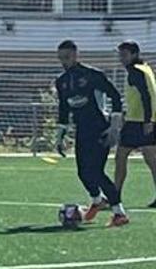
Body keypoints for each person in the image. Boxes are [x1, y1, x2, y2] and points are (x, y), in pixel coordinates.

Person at [53, 40, 127, 226]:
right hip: (82, 131)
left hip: (101, 129)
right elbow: (63, 109)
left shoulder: (92, 75)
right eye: (61, 58)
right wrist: (60, 135)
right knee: (83, 173)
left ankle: (119, 213)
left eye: (67, 57)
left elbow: (115, 96)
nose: (64, 61)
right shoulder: (61, 82)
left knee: (96, 171)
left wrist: (114, 125)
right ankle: (98, 200)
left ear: (76, 55)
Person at [115, 40, 156, 208]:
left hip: (138, 122)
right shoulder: (146, 68)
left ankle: (115, 195)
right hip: (147, 120)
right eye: (120, 55)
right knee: (152, 161)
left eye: (124, 55)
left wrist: (147, 121)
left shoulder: (135, 71)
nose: (121, 58)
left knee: (121, 156)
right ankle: (115, 194)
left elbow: (146, 96)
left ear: (134, 54)